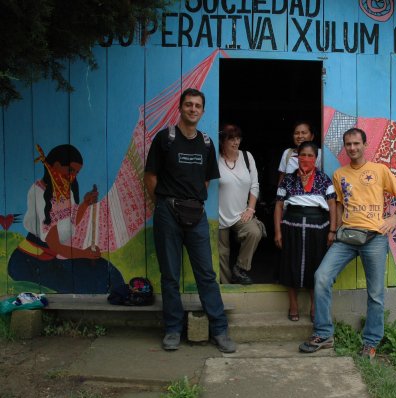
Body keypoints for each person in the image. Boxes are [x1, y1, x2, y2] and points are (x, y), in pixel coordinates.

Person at [298, 128, 396, 360]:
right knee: (321, 277)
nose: (352, 148)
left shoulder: (380, 170)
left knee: (376, 293)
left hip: (374, 238)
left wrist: (393, 218)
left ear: (365, 144)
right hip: (347, 237)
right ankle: (324, 333)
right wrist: (336, 228)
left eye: (356, 143)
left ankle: (370, 342)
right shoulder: (340, 174)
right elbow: (338, 204)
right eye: (348, 144)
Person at [144, 88, 236, 353]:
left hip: (196, 215)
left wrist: (192, 201)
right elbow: (150, 177)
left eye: (197, 106)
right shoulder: (165, 139)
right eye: (188, 105)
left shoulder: (206, 144)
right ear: (180, 108)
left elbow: (205, 181)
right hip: (167, 213)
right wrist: (163, 205)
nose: (193, 109)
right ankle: (173, 329)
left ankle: (219, 330)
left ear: (203, 111)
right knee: (170, 275)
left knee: (206, 274)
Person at [8, 144, 125, 294]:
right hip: (33, 262)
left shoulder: (65, 190)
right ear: (56, 165)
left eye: (76, 172)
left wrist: (84, 204)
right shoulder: (39, 192)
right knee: (88, 281)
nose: (73, 176)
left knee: (107, 273)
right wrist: (85, 254)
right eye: (70, 170)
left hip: (55, 257)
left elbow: (70, 221)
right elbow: (55, 245)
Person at [274, 141, 336, 322]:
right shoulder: (287, 179)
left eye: (310, 156)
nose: (306, 159)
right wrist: (278, 232)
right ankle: (293, 304)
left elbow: (332, 205)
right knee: (289, 264)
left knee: (315, 265)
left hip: (317, 229)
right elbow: (278, 206)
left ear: (316, 159)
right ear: (297, 157)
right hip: (290, 227)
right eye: (303, 155)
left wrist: (332, 230)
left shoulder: (324, 179)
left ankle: (314, 305)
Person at [217, 123, 262, 285]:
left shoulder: (246, 157)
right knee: (222, 253)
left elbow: (254, 185)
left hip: (241, 213)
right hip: (219, 214)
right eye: (231, 139)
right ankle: (226, 286)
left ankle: (240, 268)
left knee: (254, 232)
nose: (236, 142)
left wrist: (251, 208)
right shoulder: (215, 159)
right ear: (223, 141)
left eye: (238, 138)